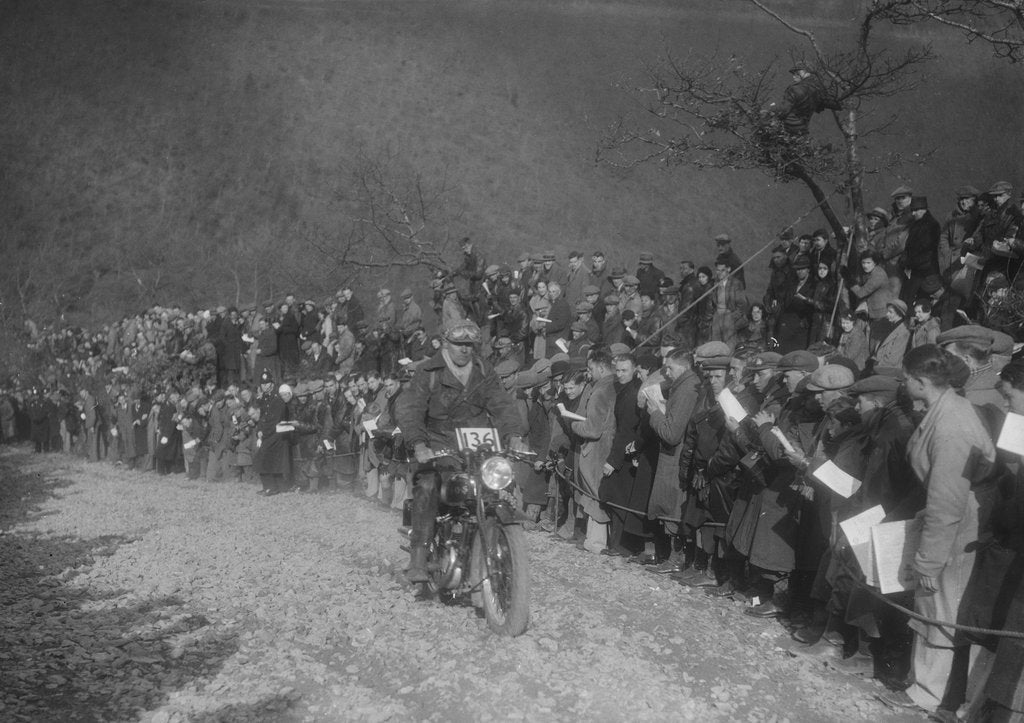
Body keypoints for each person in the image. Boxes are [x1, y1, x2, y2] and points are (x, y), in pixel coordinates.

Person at [880, 345, 996, 715]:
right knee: (934, 603)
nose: (903, 383)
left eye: (906, 378)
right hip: (952, 513)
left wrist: (928, 562)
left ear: (920, 381)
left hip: (959, 521)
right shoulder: (944, 406)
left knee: (939, 604)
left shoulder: (951, 428)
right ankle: (928, 687)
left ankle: (931, 695)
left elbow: (947, 505)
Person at [396, 319, 527, 583]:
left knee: (497, 483)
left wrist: (514, 434)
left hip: (477, 443)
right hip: (437, 443)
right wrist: (419, 444)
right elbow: (411, 409)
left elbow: (501, 403)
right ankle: (419, 557)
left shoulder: (483, 369)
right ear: (446, 343)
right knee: (428, 485)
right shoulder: (429, 371)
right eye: (459, 344)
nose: (465, 350)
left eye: (470, 344)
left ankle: (500, 543)